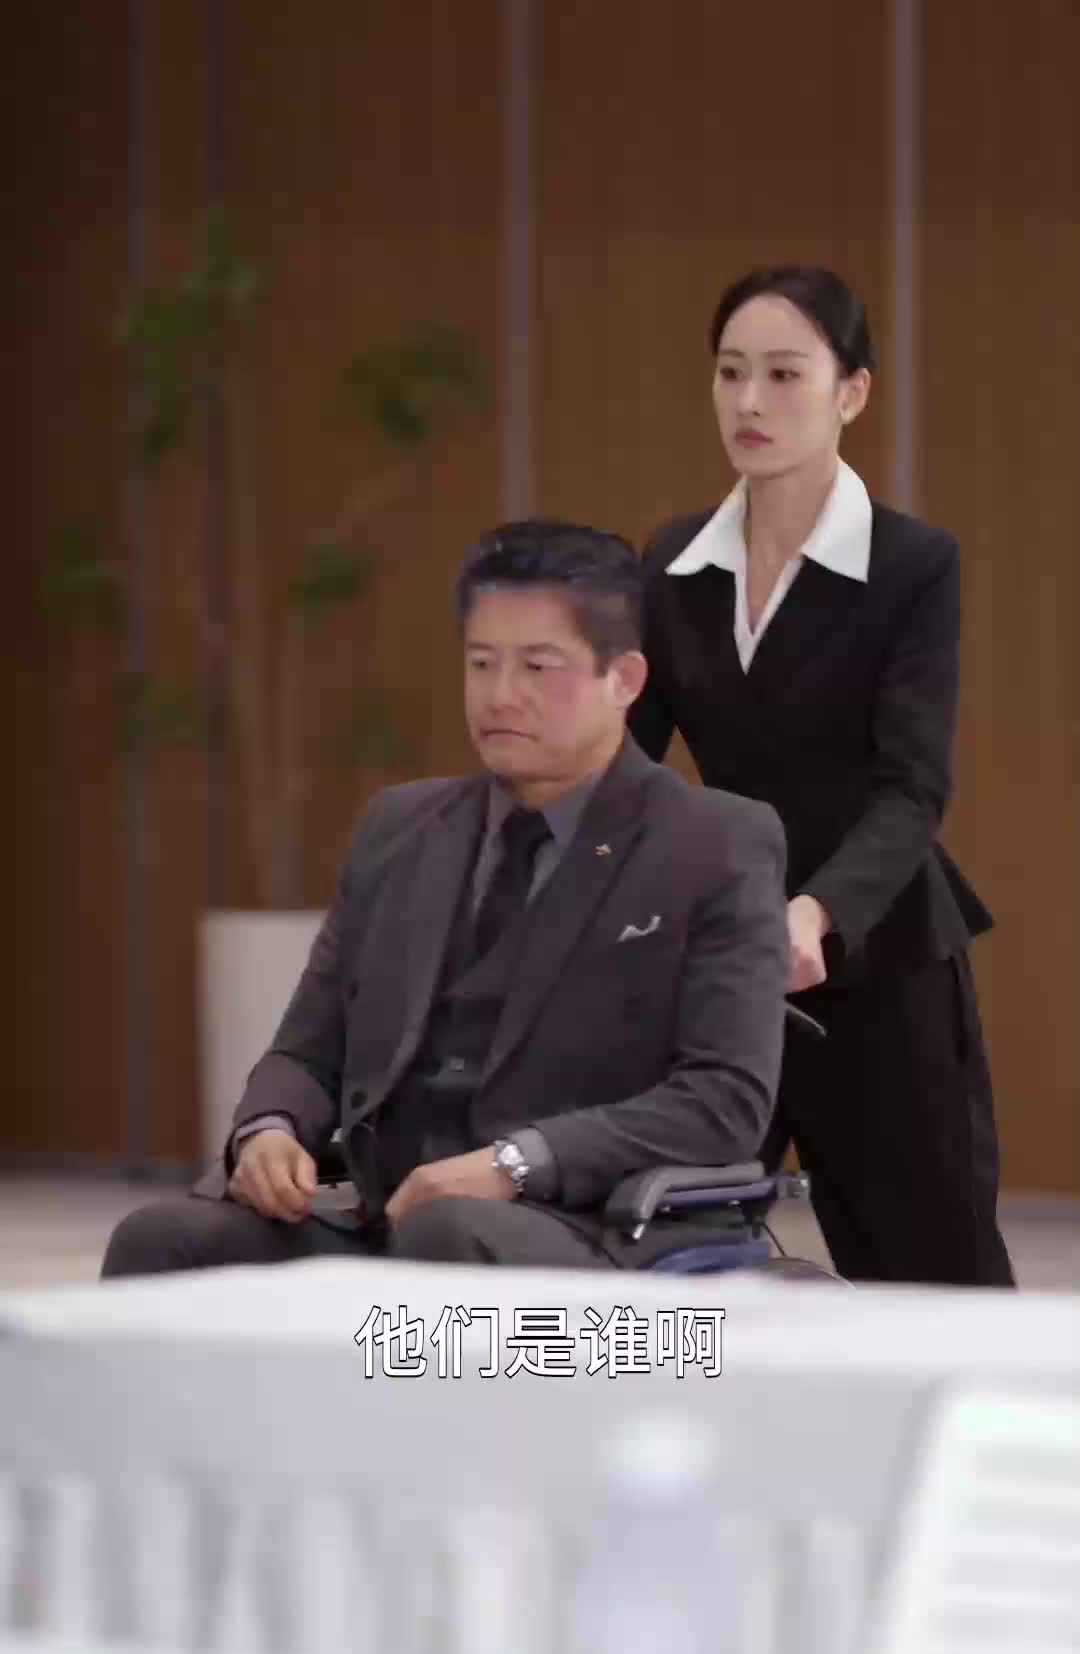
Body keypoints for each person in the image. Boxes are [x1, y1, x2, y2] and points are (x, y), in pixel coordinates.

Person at [102, 519, 789, 1280]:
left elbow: (723, 1101)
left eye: (538, 666)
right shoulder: (399, 827)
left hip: (584, 1230)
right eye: (481, 662)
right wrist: (269, 1128)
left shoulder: (715, 842)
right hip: (387, 1218)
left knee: (448, 1238)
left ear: (623, 680)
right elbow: (307, 1050)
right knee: (162, 1240)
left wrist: (515, 1163)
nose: (501, 695)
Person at [630, 264, 1014, 1288]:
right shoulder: (673, 561)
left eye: (784, 374)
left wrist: (815, 911)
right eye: (730, 372)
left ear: (853, 391)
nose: (749, 402)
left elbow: (913, 787)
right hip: (719, 965)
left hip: (877, 959)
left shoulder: (912, 564)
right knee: (661, 1255)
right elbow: (627, 764)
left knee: (935, 1277)